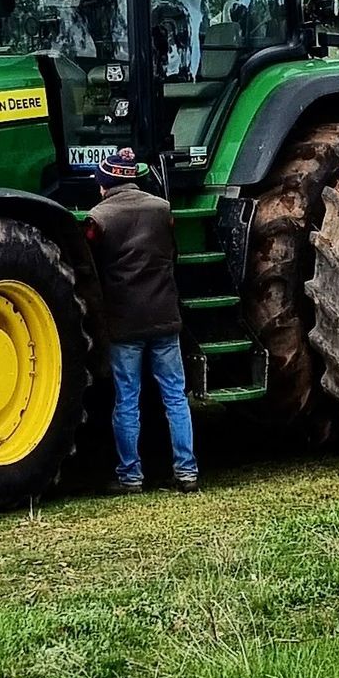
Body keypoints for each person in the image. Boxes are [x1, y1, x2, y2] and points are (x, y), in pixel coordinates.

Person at [85, 148, 199, 494]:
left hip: (124, 324)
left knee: (127, 400)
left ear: (105, 185)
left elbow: (92, 270)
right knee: (175, 397)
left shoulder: (98, 218)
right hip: (165, 317)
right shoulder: (162, 210)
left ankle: (131, 476)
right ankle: (187, 471)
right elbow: (172, 255)